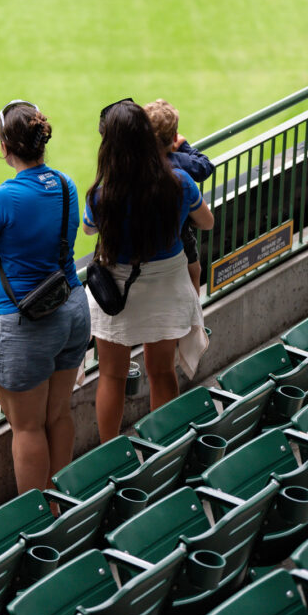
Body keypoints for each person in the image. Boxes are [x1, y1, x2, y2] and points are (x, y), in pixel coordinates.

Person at [0, 100, 90, 495]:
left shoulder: (1, 199)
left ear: (4, 146)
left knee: (27, 427)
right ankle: (58, 504)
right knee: (57, 415)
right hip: (72, 308)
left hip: (26, 325)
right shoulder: (67, 185)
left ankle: (36, 526)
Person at [83, 100, 214, 442]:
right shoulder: (180, 181)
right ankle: (164, 449)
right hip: (167, 284)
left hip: (117, 289)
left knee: (111, 376)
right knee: (161, 371)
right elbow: (207, 222)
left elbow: (88, 230)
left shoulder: (101, 193)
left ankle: (109, 452)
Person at [144, 99, 215, 294]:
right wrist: (184, 146)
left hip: (144, 240)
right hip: (178, 235)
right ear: (174, 137)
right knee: (194, 271)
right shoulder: (179, 162)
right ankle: (196, 319)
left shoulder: (134, 164)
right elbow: (205, 166)